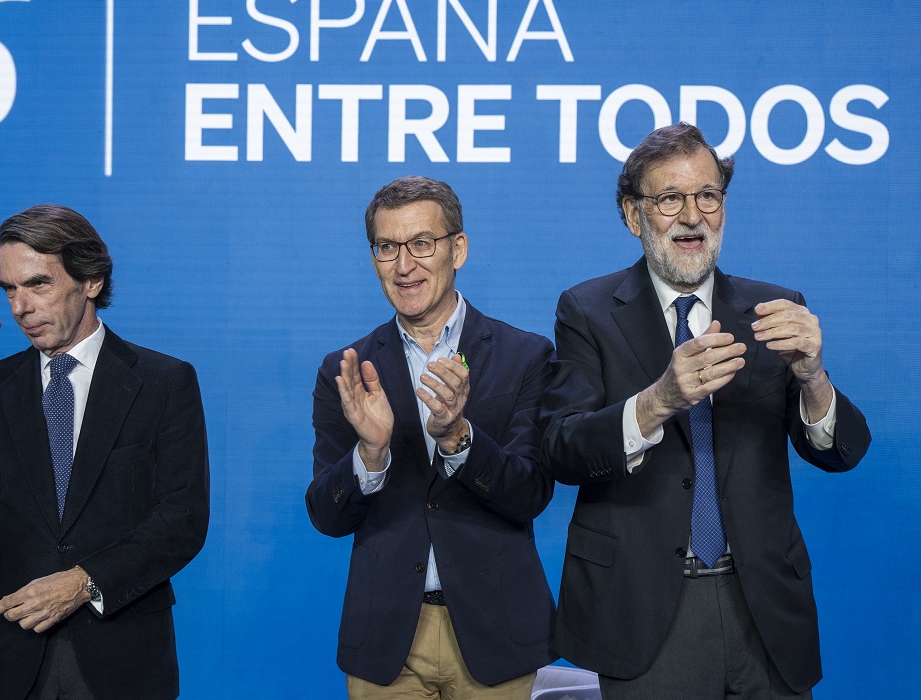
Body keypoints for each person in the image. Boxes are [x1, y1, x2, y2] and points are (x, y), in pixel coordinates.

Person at [540, 123, 871, 700]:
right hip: (644, 610)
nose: (692, 215)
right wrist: (658, 401)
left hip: (764, 607)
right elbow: (562, 448)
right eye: (669, 198)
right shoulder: (587, 311)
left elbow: (840, 453)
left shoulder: (775, 310)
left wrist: (814, 376)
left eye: (708, 196)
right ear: (632, 214)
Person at [0, 204, 210, 700]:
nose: (19, 307)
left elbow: (183, 519)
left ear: (92, 281)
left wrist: (84, 582)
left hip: (121, 658)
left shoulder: (164, 382)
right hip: (11, 661)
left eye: (38, 284)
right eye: (10, 289)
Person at [306, 176, 556, 699]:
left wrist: (460, 438)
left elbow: (531, 493)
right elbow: (327, 516)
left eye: (422, 244)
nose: (404, 265)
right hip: (387, 639)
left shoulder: (524, 356)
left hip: (495, 633)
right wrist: (370, 454)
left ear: (457, 248)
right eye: (386, 248)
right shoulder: (347, 371)